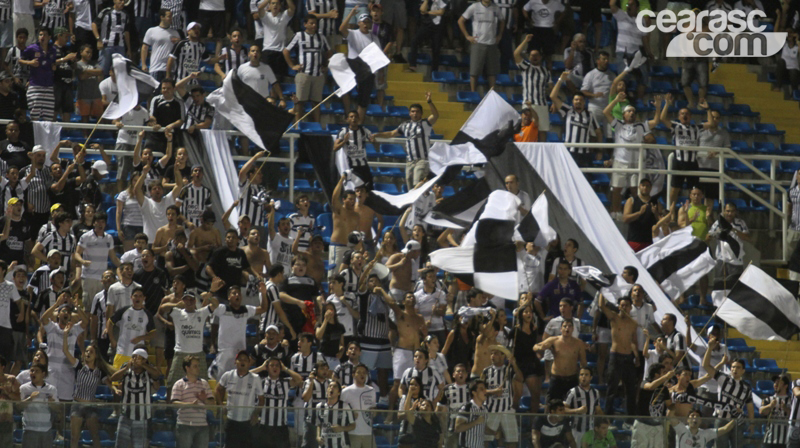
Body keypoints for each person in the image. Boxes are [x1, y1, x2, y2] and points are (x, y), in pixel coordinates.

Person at [603, 92, 663, 220]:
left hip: (636, 163)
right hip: (620, 161)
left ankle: (636, 212)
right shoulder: (618, 125)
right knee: (617, 189)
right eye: (629, 111)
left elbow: (656, 121)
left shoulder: (640, 126)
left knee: (635, 189)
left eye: (633, 112)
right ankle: (615, 212)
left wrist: (658, 108)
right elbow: (605, 112)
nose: (631, 113)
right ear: (623, 114)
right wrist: (616, 100)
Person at [160, 281, 221, 389]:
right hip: (180, 352)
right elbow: (162, 307)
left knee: (203, 384)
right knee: (171, 383)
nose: (189, 302)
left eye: (192, 299)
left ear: (195, 301)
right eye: (186, 299)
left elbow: (216, 305)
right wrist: (176, 305)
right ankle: (170, 401)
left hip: (198, 353)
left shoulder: (201, 313)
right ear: (183, 300)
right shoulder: (178, 312)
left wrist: (210, 295)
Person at [374, 93, 439, 190]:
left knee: (417, 184)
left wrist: (429, 102)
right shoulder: (405, 125)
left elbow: (435, 115)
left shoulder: (425, 123)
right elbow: (391, 133)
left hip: (422, 160)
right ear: (409, 113)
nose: (415, 113)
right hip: (410, 161)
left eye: (417, 112)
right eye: (413, 111)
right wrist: (377, 134)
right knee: (410, 187)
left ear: (421, 114)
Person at [63, 335, 113, 448]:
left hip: (90, 406)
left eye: (91, 351)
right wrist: (65, 335)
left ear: (96, 355)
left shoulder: (99, 372)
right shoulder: (79, 366)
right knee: (74, 437)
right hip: (77, 405)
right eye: (86, 351)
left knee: (95, 435)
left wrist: (115, 389)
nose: (88, 353)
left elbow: (109, 383)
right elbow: (65, 351)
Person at [703, 338, 754, 447]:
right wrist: (709, 349)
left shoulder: (747, 387)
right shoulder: (723, 378)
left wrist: (752, 423)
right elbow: (706, 366)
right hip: (721, 419)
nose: (735, 369)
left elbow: (750, 407)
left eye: (738, 367)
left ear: (743, 371)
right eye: (733, 367)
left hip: (737, 422)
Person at [108, 348, 162, 448]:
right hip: (125, 414)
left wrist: (143, 365)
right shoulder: (126, 367)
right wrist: (125, 369)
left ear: (144, 360)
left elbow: (157, 375)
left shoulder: (149, 370)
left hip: (142, 416)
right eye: (133, 357)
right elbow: (113, 378)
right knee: (120, 444)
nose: (135, 360)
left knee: (139, 445)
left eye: (138, 358)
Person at [283, 15, 332, 124]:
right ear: (305, 24)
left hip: (318, 74)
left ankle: (317, 125)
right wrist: (292, 66)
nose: (314, 25)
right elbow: (286, 51)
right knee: (300, 101)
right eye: (311, 23)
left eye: (315, 23)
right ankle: (298, 124)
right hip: (303, 73)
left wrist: (326, 65)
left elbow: (329, 52)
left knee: (316, 102)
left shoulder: (321, 37)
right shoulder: (299, 36)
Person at [551, 71, 601, 167]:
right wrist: (560, 80)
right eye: (576, 99)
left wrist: (599, 150)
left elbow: (598, 132)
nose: (578, 101)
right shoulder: (567, 110)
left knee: (585, 175)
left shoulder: (590, 115)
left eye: (581, 100)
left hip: (584, 153)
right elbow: (553, 96)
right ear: (573, 101)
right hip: (569, 151)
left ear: (584, 102)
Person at [214, 350, 264, 447]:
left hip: (247, 421)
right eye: (240, 359)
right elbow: (217, 390)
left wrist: (256, 413)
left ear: (249, 363)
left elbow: (261, 399)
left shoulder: (255, 378)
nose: (242, 361)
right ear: (235, 362)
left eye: (245, 360)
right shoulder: (228, 375)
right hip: (231, 420)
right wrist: (221, 405)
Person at [251, 357, 303, 447]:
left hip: (281, 427)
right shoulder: (261, 382)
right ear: (267, 368)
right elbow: (245, 376)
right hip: (263, 426)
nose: (275, 367)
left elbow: (299, 380)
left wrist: (285, 368)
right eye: (272, 365)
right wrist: (261, 367)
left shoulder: (285, 382)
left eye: (277, 365)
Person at [75, 211, 120, 311]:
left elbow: (113, 258)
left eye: (102, 222)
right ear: (94, 223)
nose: (100, 224)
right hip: (89, 277)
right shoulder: (86, 237)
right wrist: (83, 261)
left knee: (101, 308)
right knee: (88, 307)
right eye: (98, 222)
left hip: (102, 279)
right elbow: (77, 253)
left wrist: (123, 266)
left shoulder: (109, 238)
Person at [534, 319, 586, 401]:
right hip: (557, 378)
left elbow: (583, 363)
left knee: (573, 404)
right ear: (561, 329)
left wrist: (583, 377)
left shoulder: (579, 343)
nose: (567, 328)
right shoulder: (553, 340)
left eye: (569, 326)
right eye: (565, 326)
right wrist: (542, 347)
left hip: (572, 378)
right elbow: (535, 346)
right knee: (551, 404)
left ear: (573, 329)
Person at [457, 0, 503, 91]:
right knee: (474, 72)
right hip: (478, 43)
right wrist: (467, 36)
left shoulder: (496, 8)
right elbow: (460, 21)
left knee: (492, 72)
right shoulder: (474, 7)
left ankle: (492, 94)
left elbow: (502, 20)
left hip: (492, 43)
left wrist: (500, 35)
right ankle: (473, 93)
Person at [483, 346, 522, 448]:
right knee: (485, 440)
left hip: (507, 410)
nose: (492, 356)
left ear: (503, 356)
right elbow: (480, 391)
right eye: (492, 353)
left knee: (512, 441)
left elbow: (520, 378)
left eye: (496, 353)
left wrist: (514, 364)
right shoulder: (486, 371)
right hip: (491, 410)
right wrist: (494, 391)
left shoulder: (509, 369)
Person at [108, 287, 156, 370]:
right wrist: (112, 339)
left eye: (140, 296)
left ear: (144, 298)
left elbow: (153, 333)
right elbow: (110, 322)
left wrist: (141, 338)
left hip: (138, 355)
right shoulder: (124, 310)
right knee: (117, 375)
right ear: (131, 297)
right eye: (135, 296)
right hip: (122, 351)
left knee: (135, 376)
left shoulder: (147, 315)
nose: (138, 298)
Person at [514, 35, 550, 141]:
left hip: (542, 104)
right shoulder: (526, 67)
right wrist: (525, 40)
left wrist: (553, 101)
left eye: (537, 55)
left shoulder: (545, 71)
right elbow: (516, 54)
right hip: (528, 103)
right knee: (527, 128)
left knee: (542, 130)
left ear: (541, 57)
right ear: (529, 57)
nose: (534, 57)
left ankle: (542, 150)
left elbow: (551, 87)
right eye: (532, 55)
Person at [707, 202, 750, 285]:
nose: (729, 213)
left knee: (735, 287)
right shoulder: (718, 223)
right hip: (721, 259)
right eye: (728, 211)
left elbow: (747, 238)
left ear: (735, 212)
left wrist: (732, 229)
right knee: (719, 286)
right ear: (724, 211)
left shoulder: (740, 223)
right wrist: (716, 234)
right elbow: (708, 237)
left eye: (732, 211)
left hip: (736, 260)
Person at [19, 28, 56, 121]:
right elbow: (20, 60)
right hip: (35, 85)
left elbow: (53, 63)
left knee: (48, 117)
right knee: (35, 116)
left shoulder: (53, 50)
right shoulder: (32, 48)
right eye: (40, 34)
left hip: (49, 86)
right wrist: (30, 63)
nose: (42, 37)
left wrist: (54, 66)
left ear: (49, 37)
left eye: (44, 35)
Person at [19, 362, 58, 448]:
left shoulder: (52, 389)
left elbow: (58, 408)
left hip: (46, 430)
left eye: (37, 371)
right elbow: (18, 407)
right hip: (29, 429)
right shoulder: (23, 388)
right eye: (32, 370)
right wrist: (30, 398)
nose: (33, 373)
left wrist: (51, 403)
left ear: (43, 374)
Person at [328, 176, 359, 277]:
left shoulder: (356, 216)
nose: (352, 201)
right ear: (344, 200)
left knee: (347, 276)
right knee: (334, 275)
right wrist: (341, 179)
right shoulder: (339, 210)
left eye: (354, 199)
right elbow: (334, 198)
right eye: (350, 199)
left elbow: (357, 234)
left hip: (350, 248)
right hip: (338, 246)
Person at [340, 363, 376, 448]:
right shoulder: (346, 391)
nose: (362, 374)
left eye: (364, 372)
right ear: (353, 375)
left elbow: (374, 410)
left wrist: (374, 412)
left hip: (368, 432)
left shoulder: (371, 390)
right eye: (359, 372)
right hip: (352, 432)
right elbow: (340, 411)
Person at [565, 367, 602, 444]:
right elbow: (563, 409)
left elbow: (598, 410)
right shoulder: (573, 392)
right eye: (581, 374)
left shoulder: (595, 393)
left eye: (586, 374)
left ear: (591, 377)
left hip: (590, 430)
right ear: (579, 377)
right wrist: (577, 410)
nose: (583, 377)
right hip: (575, 430)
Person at [315, 380, 356, 448]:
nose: (331, 388)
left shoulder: (345, 406)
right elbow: (318, 424)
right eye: (329, 386)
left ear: (339, 393)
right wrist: (318, 436)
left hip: (341, 445)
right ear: (327, 391)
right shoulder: (319, 406)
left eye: (335, 386)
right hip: (324, 445)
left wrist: (342, 428)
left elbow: (353, 425)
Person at [623, 178, 661, 250]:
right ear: (639, 187)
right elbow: (625, 219)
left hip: (650, 242)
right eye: (643, 185)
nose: (645, 188)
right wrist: (639, 213)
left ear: (651, 188)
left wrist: (655, 213)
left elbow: (661, 221)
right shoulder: (632, 200)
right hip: (634, 241)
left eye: (647, 186)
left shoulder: (656, 202)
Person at [668, 409, 736, 447]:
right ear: (687, 420)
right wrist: (672, 406)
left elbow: (725, 429)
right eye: (692, 415)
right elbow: (670, 417)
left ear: (700, 420)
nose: (695, 417)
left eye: (697, 416)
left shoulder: (704, 434)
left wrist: (736, 418)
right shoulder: (682, 429)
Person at [454, 380, 488, 448]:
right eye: (481, 389)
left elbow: (483, 428)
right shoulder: (467, 408)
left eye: (485, 389)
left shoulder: (485, 409)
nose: (485, 391)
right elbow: (458, 428)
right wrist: (476, 422)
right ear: (474, 393)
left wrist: (494, 432)